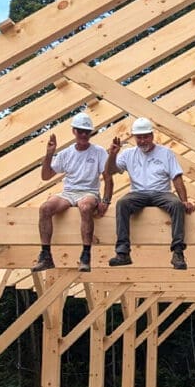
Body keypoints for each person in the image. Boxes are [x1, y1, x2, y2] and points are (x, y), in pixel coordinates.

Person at [104, 117, 195, 270]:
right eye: (139, 137)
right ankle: (123, 252)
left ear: (152, 136)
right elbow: (109, 171)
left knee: (176, 205)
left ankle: (178, 252)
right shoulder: (128, 154)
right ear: (134, 138)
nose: (142, 141)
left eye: (145, 136)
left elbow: (177, 178)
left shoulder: (165, 153)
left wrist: (184, 200)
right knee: (122, 203)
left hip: (161, 192)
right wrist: (112, 154)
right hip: (138, 193)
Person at [31, 112, 113, 273]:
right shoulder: (66, 153)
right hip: (68, 192)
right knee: (45, 208)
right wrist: (49, 154)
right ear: (74, 131)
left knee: (85, 207)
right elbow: (46, 176)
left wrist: (106, 201)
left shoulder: (98, 152)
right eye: (80, 131)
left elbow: (108, 178)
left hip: (89, 192)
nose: (83, 134)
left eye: (86, 132)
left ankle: (86, 255)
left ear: (90, 133)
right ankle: (46, 255)